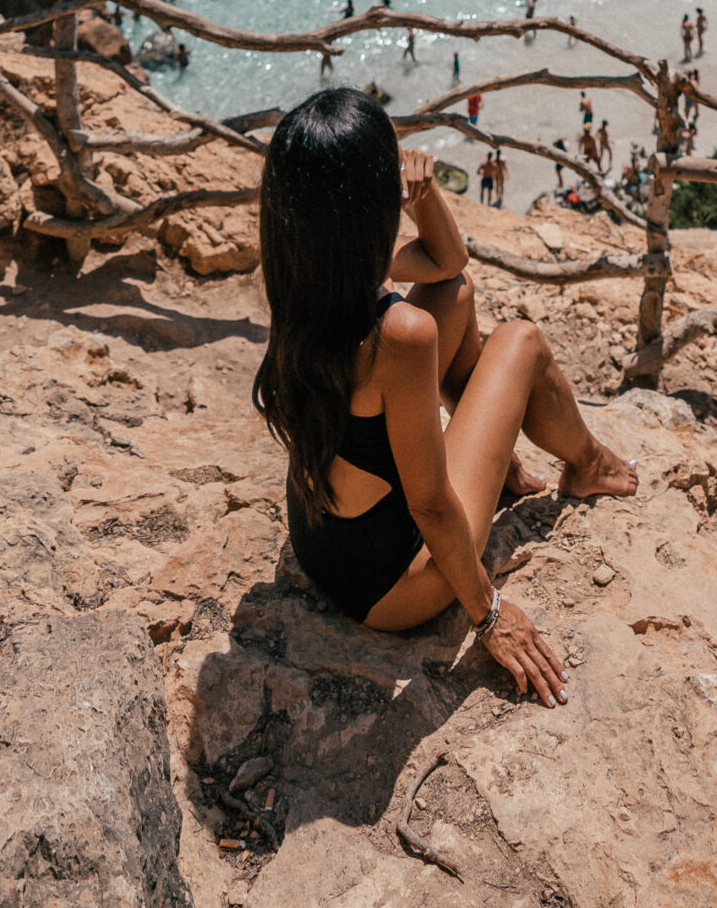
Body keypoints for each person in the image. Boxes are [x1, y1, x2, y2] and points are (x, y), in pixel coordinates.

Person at [252, 92, 633, 695]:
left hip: (323, 541)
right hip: (394, 582)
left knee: (454, 293)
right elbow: (429, 506)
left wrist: (425, 197)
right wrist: (490, 615)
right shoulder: (399, 334)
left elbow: (448, 263)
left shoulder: (299, 270)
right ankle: (587, 464)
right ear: (373, 200)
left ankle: (497, 460)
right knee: (523, 341)